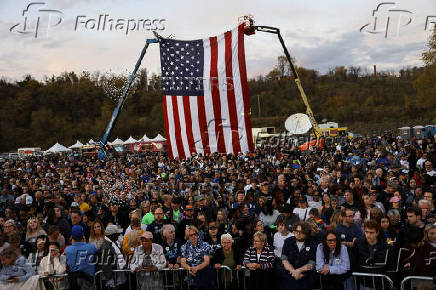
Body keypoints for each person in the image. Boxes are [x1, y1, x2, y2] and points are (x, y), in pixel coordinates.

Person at [279, 221, 317, 290]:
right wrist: (293, 271)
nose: (298, 234)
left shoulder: (312, 243)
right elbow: (284, 260)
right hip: (289, 273)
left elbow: (311, 263)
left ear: (307, 233)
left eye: (301, 232)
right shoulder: (288, 241)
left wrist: (298, 271)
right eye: (296, 231)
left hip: (304, 275)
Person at [180, 225, 214, 290]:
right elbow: (183, 262)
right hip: (191, 275)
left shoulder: (205, 245)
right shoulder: (184, 247)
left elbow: (206, 261)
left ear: (198, 234)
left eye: (195, 234)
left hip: (204, 274)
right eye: (191, 235)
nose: (193, 236)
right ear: (187, 236)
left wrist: (196, 268)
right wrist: (189, 268)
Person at [65, 225, 98, 289]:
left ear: (72, 236)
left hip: (74, 282)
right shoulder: (91, 247)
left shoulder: (67, 249)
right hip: (88, 281)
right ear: (83, 235)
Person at [99, 224, 126, 288]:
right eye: (117, 234)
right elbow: (106, 266)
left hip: (118, 278)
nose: (119, 235)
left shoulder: (113, 242)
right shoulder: (106, 246)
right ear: (111, 235)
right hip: (113, 280)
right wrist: (112, 283)